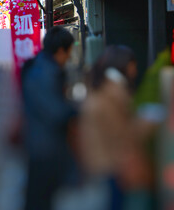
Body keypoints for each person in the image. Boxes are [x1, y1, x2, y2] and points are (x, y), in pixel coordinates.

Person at [80, 45, 154, 210]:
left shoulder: (101, 87)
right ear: (124, 65)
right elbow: (123, 133)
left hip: (101, 162)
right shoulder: (114, 92)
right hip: (111, 164)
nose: (135, 69)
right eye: (133, 65)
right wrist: (148, 121)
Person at [21, 26, 77, 210]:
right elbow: (55, 112)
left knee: (41, 197)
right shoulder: (44, 73)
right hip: (44, 146)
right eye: (69, 50)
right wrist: (75, 111)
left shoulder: (41, 68)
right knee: (40, 198)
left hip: (41, 144)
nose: (70, 56)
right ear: (61, 50)